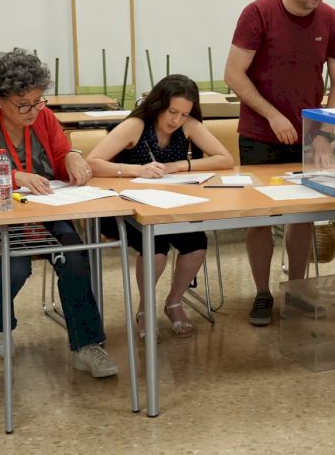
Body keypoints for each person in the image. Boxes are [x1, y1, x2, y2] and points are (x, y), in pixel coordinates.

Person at [0, 48, 119, 378]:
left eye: (38, 101)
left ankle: (87, 345)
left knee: (75, 258)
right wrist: (13, 177)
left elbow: (61, 154)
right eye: (23, 104)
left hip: (42, 210)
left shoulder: (43, 116)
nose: (33, 110)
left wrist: (71, 156)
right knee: (14, 266)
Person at [223, 0, 335, 326]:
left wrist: (325, 131)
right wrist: (272, 115)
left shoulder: (331, 20)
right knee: (260, 217)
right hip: (260, 134)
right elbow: (233, 74)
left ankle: (296, 288)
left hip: (309, 136)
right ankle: (262, 293)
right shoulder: (258, 13)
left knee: (302, 216)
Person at [86, 75, 233, 338]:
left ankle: (173, 302)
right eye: (172, 112)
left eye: (184, 114)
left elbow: (225, 159)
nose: (176, 120)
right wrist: (137, 170)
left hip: (171, 206)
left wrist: (181, 165)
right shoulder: (136, 125)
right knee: (157, 251)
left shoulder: (188, 125)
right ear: (159, 104)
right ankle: (145, 309)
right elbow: (92, 163)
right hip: (128, 209)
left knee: (197, 245)